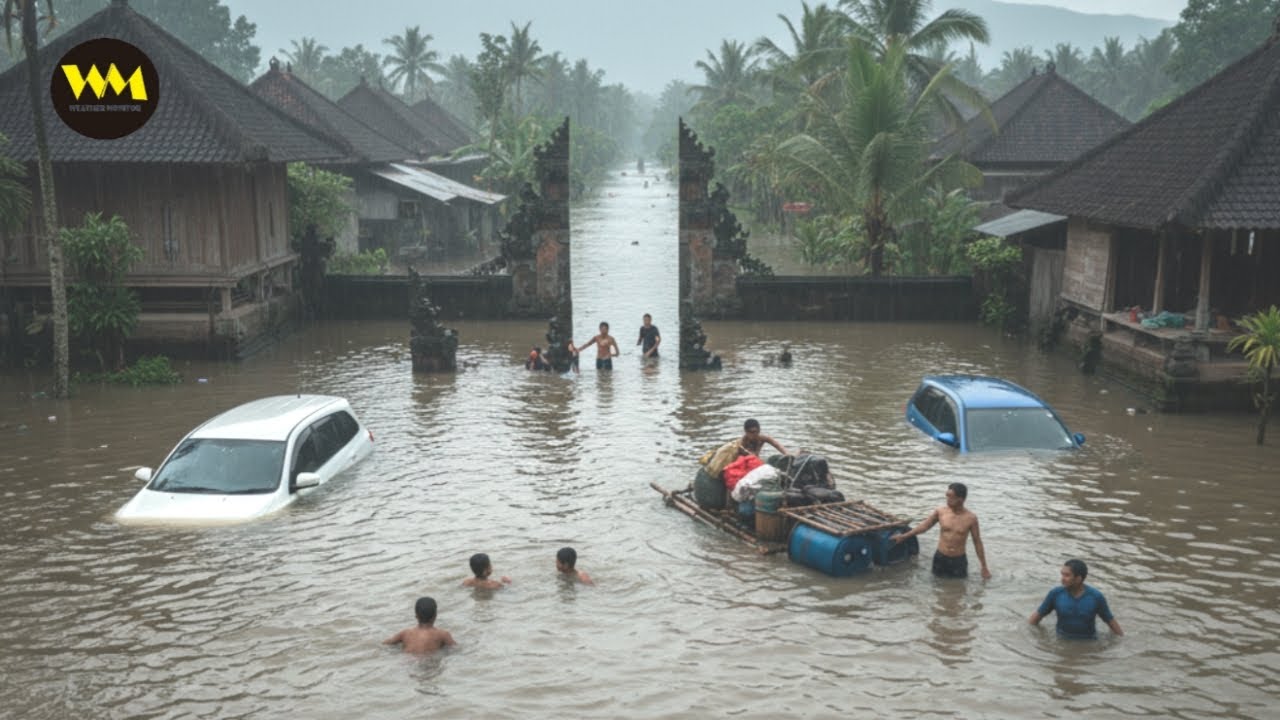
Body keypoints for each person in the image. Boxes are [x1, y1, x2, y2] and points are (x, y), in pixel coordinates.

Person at [891, 482, 991, 579]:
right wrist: (904, 536)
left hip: (958, 560)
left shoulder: (971, 518)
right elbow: (924, 526)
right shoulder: (941, 512)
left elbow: (977, 542)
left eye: (950, 497)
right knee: (937, 589)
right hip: (940, 558)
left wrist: (984, 566)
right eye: (946, 496)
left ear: (961, 499)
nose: (947, 500)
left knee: (959, 591)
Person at [1029, 559, 1123, 639]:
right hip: (1062, 641)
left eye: (1067, 575)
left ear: (1078, 578)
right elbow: (1035, 619)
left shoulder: (1096, 597)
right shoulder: (1055, 594)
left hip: (1089, 643)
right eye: (1062, 574)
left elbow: (1111, 622)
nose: (1062, 579)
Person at [382, 597, 456, 654]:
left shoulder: (405, 633)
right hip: (430, 663)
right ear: (435, 616)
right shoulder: (443, 634)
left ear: (416, 616)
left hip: (409, 663)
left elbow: (386, 643)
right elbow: (455, 649)